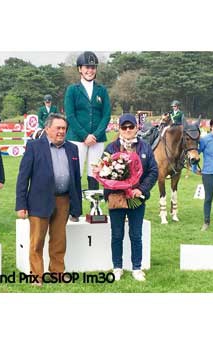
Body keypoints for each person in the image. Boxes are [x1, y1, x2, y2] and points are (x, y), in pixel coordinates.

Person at [16, 114, 82, 286]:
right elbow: (23, 177)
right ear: (47, 129)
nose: (61, 131)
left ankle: (57, 273)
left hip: (63, 200)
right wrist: (21, 204)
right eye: (58, 128)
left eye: (64, 128)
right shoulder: (34, 147)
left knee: (59, 241)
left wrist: (77, 206)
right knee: (37, 241)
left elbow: (76, 178)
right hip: (39, 200)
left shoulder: (73, 149)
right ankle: (36, 276)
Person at [103, 114, 158, 282]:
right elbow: (103, 172)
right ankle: (117, 267)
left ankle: (137, 268)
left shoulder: (145, 148)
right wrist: (115, 187)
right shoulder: (111, 148)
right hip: (116, 198)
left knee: (136, 235)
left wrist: (140, 189)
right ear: (119, 128)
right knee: (117, 235)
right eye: (124, 127)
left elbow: (153, 171)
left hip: (136, 198)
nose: (127, 130)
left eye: (130, 127)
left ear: (136, 128)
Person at [64, 51, 111, 193]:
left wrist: (95, 135)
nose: (90, 70)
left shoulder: (101, 90)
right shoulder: (72, 90)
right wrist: (85, 135)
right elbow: (70, 115)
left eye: (93, 67)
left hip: (97, 139)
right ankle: (74, 210)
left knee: (95, 173)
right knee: (76, 173)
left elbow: (106, 115)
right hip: (77, 138)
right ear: (80, 69)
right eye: (87, 67)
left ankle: (94, 209)